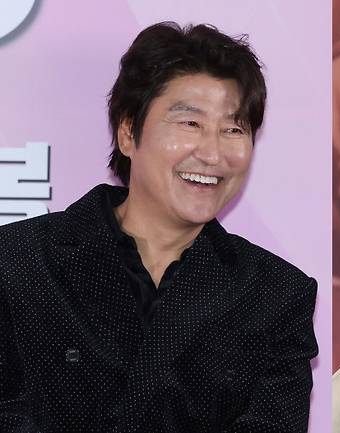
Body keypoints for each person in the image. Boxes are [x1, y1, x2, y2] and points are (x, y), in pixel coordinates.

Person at [0, 22, 318, 433]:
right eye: (190, 124)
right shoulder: (19, 261)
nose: (212, 153)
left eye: (233, 129)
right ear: (128, 133)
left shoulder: (277, 295)